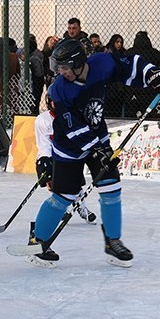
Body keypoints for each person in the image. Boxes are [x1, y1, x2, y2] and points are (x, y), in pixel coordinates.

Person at [27, 38, 160, 268]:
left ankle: (113, 242)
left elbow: (129, 65)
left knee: (111, 186)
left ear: (77, 64)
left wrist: (153, 75)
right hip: (70, 147)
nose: (61, 72)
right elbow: (73, 127)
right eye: (59, 68)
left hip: (97, 136)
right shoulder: (59, 90)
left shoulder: (102, 63)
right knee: (64, 195)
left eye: (65, 68)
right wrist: (97, 150)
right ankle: (38, 240)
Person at [31, 93, 97, 239]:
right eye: (53, 101)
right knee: (54, 186)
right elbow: (43, 143)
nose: (56, 104)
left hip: (67, 156)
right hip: (49, 155)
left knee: (73, 184)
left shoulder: (72, 117)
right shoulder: (42, 120)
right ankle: (59, 210)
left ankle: (81, 207)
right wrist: (46, 160)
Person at [126, 31, 160, 118]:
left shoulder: (130, 53)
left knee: (131, 113)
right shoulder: (154, 53)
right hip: (149, 87)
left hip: (133, 87)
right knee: (149, 112)